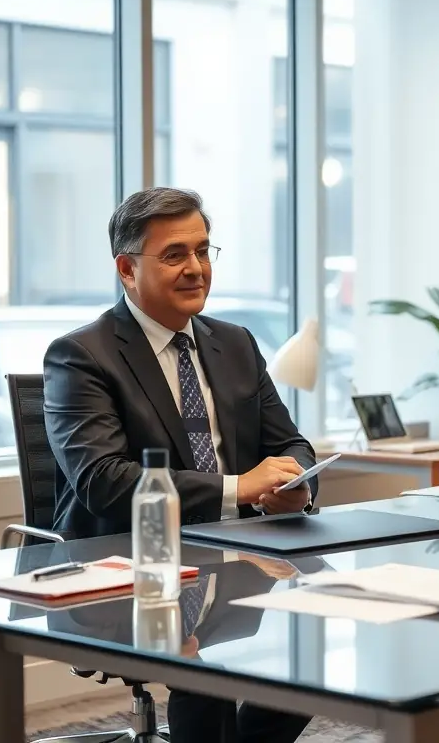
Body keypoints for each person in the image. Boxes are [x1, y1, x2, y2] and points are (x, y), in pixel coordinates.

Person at [43, 187, 315, 743]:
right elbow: (104, 482)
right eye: (175, 255)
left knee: (315, 643)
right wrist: (240, 487)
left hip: (242, 554)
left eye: (204, 251)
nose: (196, 269)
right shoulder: (81, 355)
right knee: (204, 660)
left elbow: (290, 442)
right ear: (126, 268)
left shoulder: (235, 343)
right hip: (132, 564)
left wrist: (294, 483)